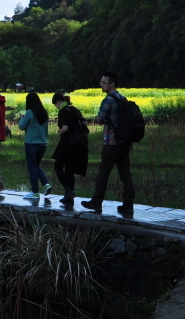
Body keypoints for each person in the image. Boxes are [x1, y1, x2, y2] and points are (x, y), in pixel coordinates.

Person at [82, 72, 135, 215]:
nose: (101, 84)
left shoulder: (108, 100)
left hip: (111, 143)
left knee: (103, 173)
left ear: (112, 84)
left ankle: (96, 202)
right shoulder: (122, 98)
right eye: (101, 82)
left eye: (104, 82)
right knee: (126, 175)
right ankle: (128, 205)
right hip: (124, 142)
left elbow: (100, 119)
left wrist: (101, 119)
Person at [52, 92, 89, 205]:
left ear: (58, 102)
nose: (56, 107)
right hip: (77, 144)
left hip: (67, 143)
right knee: (69, 170)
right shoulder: (75, 109)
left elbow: (64, 128)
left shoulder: (63, 111)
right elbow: (84, 123)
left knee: (58, 167)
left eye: (55, 104)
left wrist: (59, 133)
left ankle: (68, 191)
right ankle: (69, 197)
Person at [18, 92, 50, 197]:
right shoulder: (44, 113)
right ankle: (46, 184)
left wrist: (21, 119)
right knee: (36, 166)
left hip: (31, 144)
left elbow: (22, 127)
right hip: (43, 144)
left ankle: (35, 192)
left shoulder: (29, 112)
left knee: (32, 168)